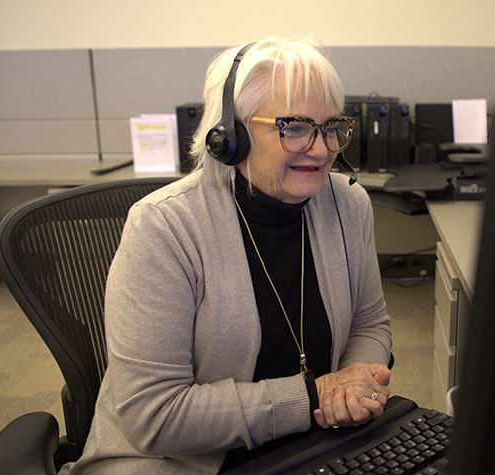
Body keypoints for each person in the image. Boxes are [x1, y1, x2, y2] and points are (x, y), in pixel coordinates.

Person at [62, 36, 392, 474]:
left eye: (331, 127)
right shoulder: (163, 227)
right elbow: (155, 416)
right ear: (230, 135)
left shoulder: (348, 206)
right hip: (176, 461)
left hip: (308, 446)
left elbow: (369, 323)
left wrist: (355, 385)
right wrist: (313, 398)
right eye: (293, 126)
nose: (321, 149)